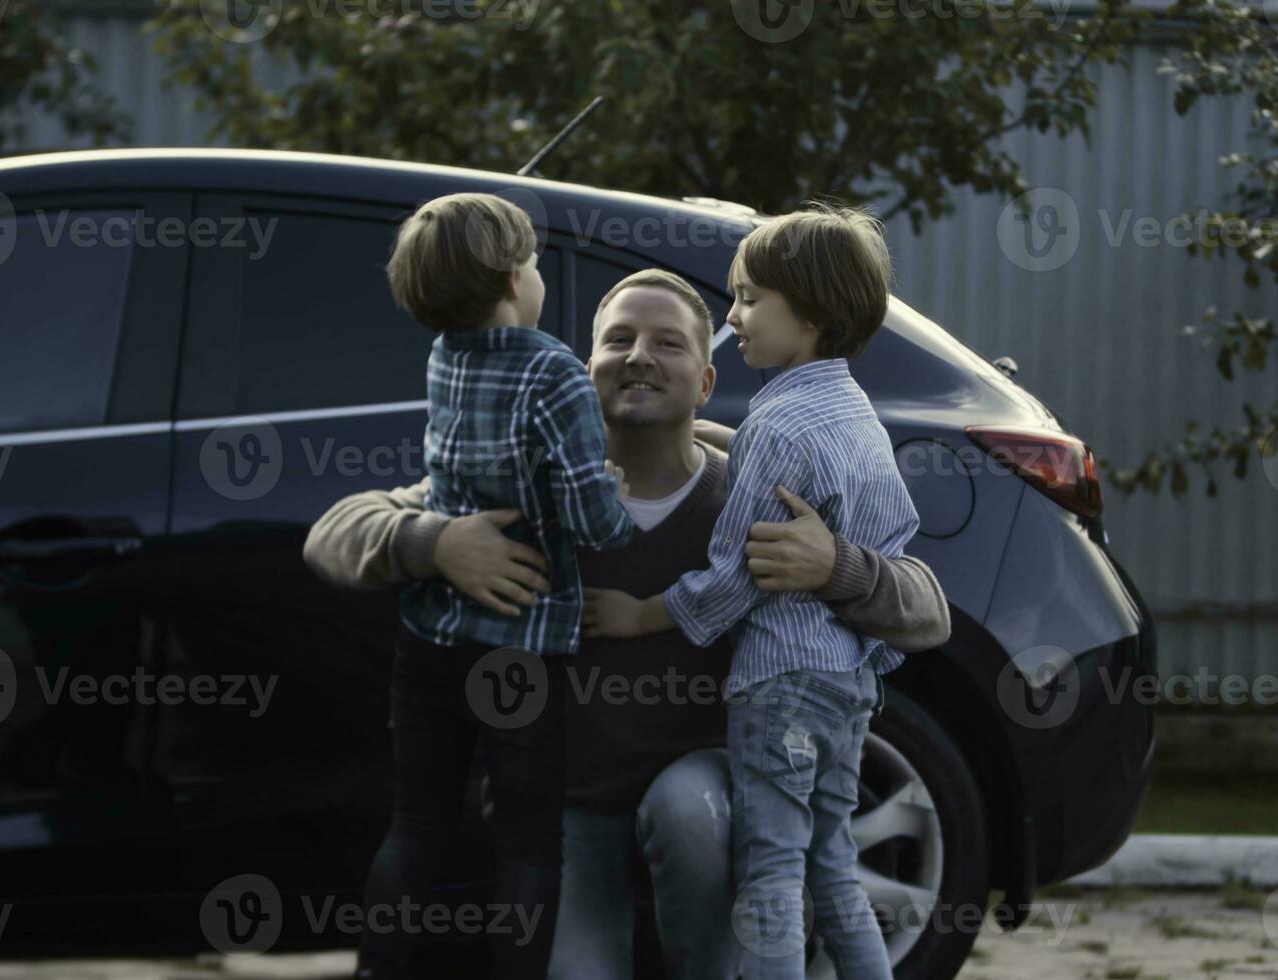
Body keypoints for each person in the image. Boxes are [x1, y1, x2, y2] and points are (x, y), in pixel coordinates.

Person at [305, 267, 950, 979]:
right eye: (619, 339)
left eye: (668, 343)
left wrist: (838, 568)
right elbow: (334, 533)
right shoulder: (527, 487)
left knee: (689, 808)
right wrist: (436, 543)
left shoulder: (757, 488)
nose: (640, 355)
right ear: (585, 373)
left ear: (705, 382)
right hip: (572, 815)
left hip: (707, 803)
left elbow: (928, 611)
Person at [582, 207, 912, 979]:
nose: (735, 315)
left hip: (779, 688)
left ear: (814, 311)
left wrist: (641, 616)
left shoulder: (777, 422)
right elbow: (894, 536)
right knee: (832, 870)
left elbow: (737, 574)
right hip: (848, 684)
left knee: (770, 879)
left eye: (751, 298)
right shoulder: (859, 415)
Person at [358, 192, 636, 980]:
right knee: (525, 839)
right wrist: (612, 491)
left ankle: (380, 967)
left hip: (430, 636)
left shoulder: (444, 354)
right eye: (535, 263)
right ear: (515, 281)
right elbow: (595, 522)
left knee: (416, 822)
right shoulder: (554, 372)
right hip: (521, 645)